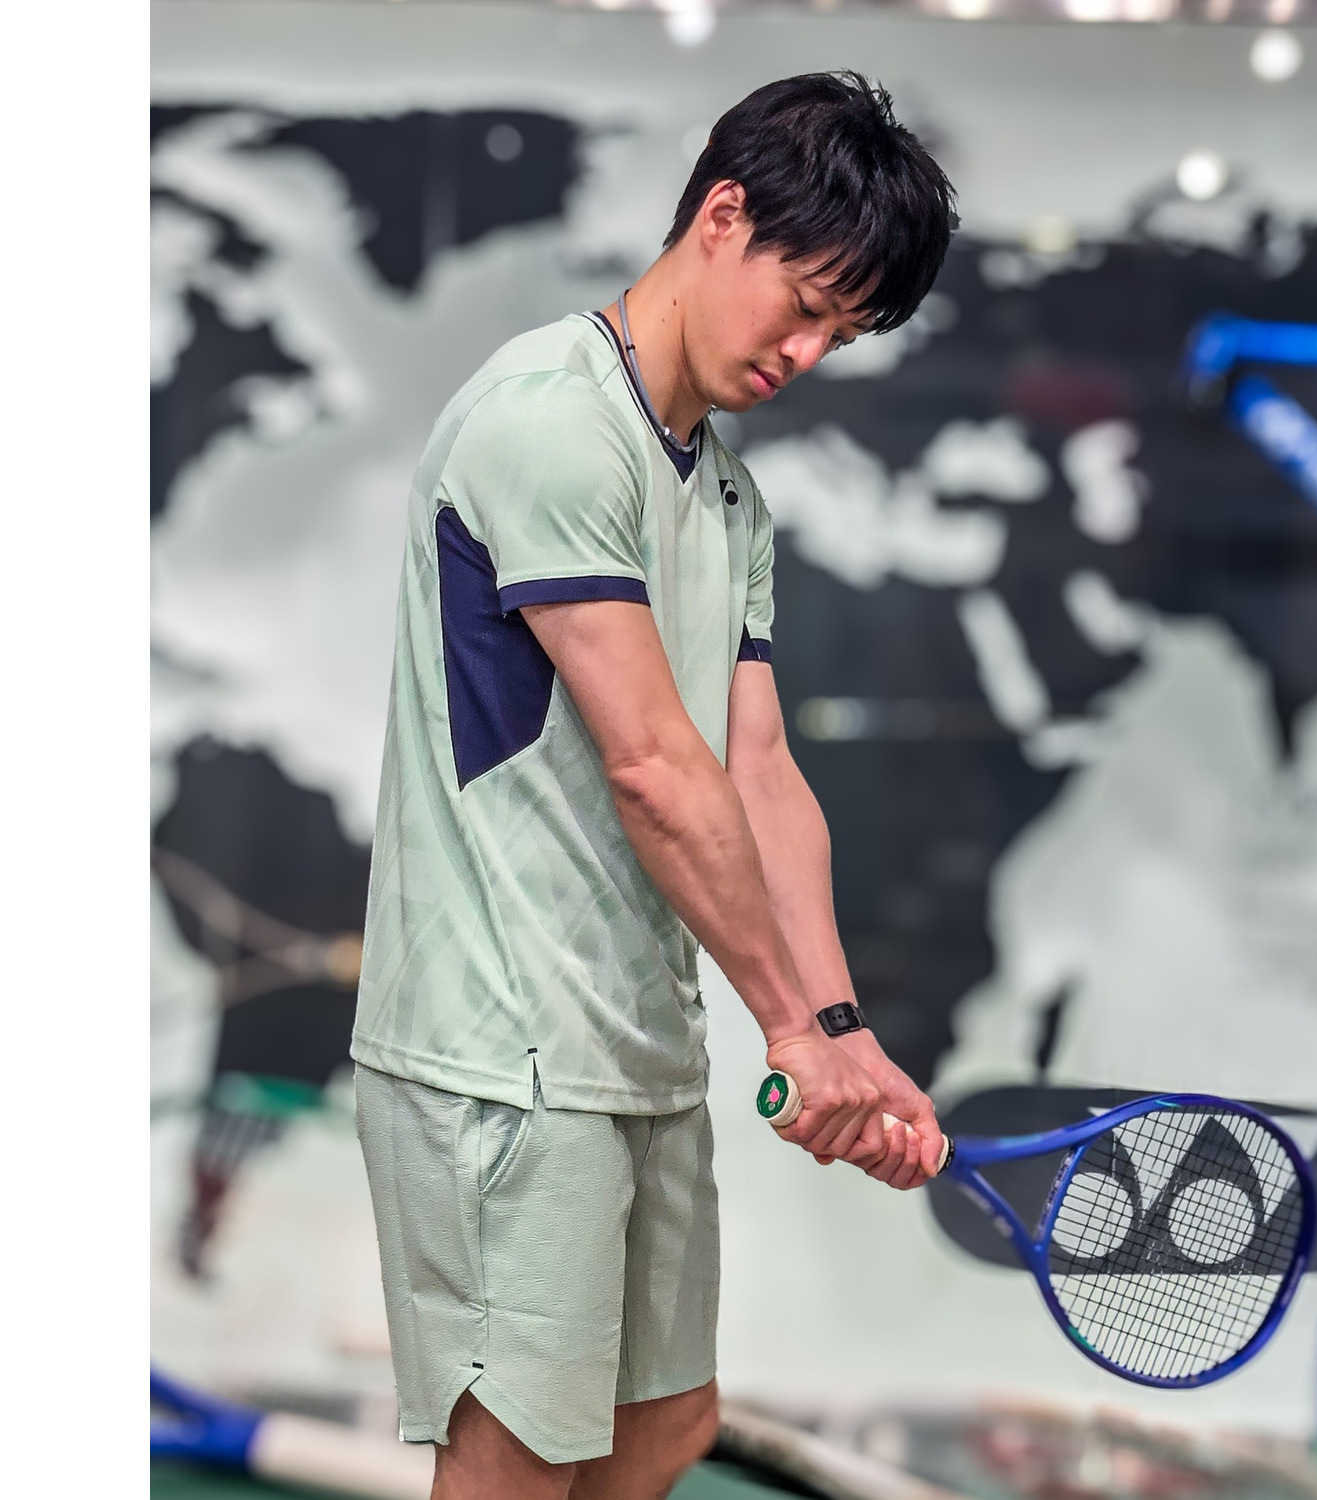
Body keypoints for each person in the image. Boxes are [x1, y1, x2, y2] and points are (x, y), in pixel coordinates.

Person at [351, 71, 958, 1500]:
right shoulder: (549, 423)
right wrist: (790, 1030)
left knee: (665, 1427)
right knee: (514, 1465)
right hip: (500, 1053)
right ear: (722, 215)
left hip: (630, 1047)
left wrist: (841, 1030)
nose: (808, 351)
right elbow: (655, 767)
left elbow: (761, 774)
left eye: (842, 334)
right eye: (806, 304)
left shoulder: (729, 496)